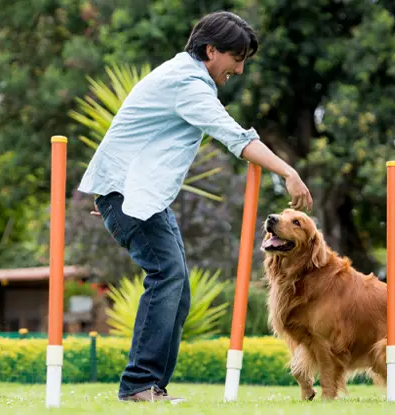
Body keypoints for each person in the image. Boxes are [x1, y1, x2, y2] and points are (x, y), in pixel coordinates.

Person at [77, 10, 312, 403]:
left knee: (177, 288)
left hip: (137, 196)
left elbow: (143, 134)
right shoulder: (187, 83)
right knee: (166, 275)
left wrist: (117, 192)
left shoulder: (182, 76)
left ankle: (151, 387)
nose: (238, 69)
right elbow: (235, 137)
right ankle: (138, 385)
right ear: (211, 50)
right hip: (129, 196)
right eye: (236, 59)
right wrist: (288, 171)